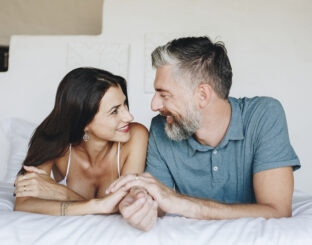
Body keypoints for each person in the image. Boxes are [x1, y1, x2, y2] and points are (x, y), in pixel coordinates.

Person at [108, 36, 301, 230]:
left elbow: (277, 212)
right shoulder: (162, 128)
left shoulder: (264, 115)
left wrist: (183, 204)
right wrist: (138, 203)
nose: (154, 105)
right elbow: (157, 203)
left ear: (202, 95)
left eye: (164, 94)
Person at [14, 67, 155, 221]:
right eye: (115, 111)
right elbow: (23, 203)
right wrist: (97, 206)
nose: (129, 116)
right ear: (83, 121)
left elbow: (128, 205)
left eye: (124, 104)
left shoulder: (136, 135)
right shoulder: (50, 138)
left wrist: (61, 193)